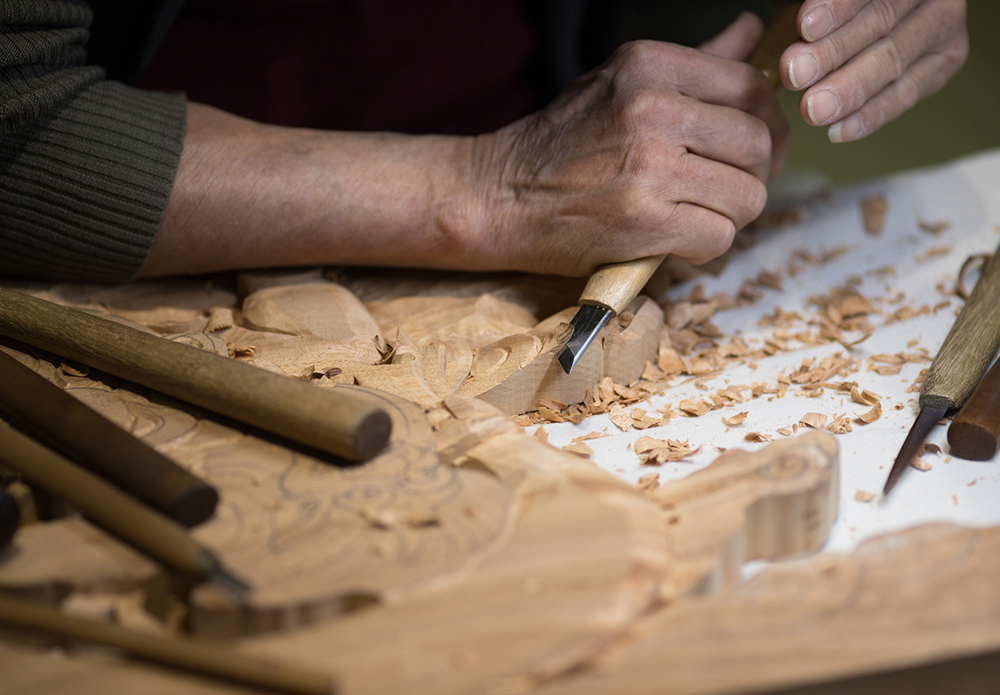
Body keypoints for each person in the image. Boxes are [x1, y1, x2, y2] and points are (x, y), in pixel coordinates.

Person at [0, 1, 968, 284]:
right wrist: (482, 188)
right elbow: (18, 112)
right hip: (153, 265)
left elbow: (671, 20)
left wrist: (813, 17)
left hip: (571, 187)